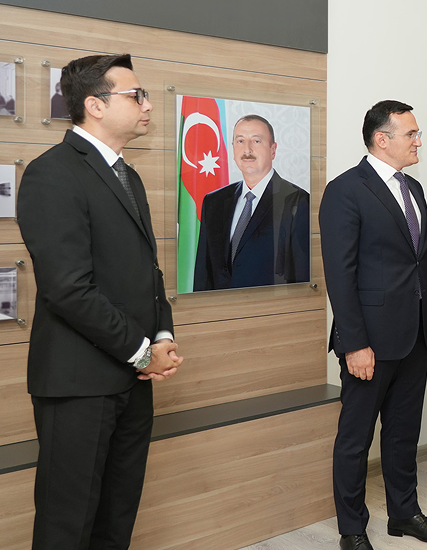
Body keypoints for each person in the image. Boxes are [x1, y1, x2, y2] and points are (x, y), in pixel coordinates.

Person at [16, 53, 183, 550]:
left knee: (116, 518)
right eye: (136, 95)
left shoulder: (127, 176)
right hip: (79, 385)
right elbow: (68, 288)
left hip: (132, 380)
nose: (147, 104)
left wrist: (163, 334)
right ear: (95, 105)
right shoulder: (52, 173)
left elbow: (147, 272)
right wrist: (142, 351)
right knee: (67, 526)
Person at [320, 100, 427, 549]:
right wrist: (355, 343)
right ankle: (352, 529)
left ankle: (405, 513)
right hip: (369, 341)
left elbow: (423, 260)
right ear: (381, 139)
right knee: (356, 439)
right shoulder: (345, 190)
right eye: (411, 133)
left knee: (403, 432)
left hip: (414, 333)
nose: (418, 141)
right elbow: (341, 275)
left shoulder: (413, 188)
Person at [193, 115, 310, 291]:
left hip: (269, 307)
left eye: (256, 141)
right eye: (240, 141)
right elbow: (203, 273)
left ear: (273, 150)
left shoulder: (297, 201)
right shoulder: (213, 201)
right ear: (233, 148)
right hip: (220, 307)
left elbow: (302, 277)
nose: (247, 149)